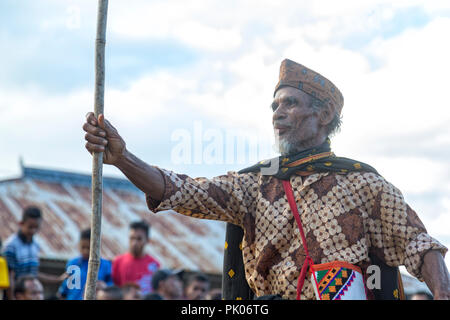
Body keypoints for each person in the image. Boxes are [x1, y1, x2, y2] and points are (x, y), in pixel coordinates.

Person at [82, 58, 450, 300]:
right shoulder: (254, 184)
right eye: (274, 106)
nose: (277, 113)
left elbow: (422, 247)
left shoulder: (365, 184)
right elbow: (181, 190)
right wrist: (122, 158)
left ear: (322, 115)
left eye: (289, 103)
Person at [2, 206, 65, 300]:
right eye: (30, 227)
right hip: (16, 295)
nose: (33, 231)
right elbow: (9, 276)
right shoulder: (11, 245)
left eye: (36, 227)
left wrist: (57, 279)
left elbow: (34, 273)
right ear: (21, 224)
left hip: (30, 295)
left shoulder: (35, 245)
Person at [57, 228, 113, 300]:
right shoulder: (73, 264)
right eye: (83, 247)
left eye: (89, 248)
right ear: (79, 245)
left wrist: (103, 286)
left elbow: (110, 287)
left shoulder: (105, 265)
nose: (85, 251)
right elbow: (64, 289)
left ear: (96, 246)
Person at [112, 221, 160, 295]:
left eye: (139, 239)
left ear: (147, 240)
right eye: (132, 238)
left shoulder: (154, 264)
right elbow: (115, 289)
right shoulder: (118, 262)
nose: (134, 243)